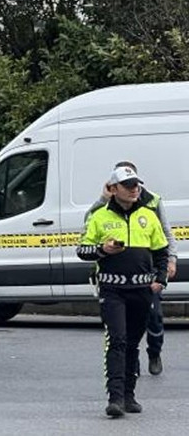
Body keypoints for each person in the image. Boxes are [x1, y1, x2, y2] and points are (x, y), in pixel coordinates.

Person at [77, 165, 170, 418]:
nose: (134, 189)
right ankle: (115, 398)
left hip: (141, 290)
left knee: (132, 343)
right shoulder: (99, 216)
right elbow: (82, 250)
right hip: (112, 289)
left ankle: (129, 395)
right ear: (114, 188)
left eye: (137, 185)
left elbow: (161, 251)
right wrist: (103, 250)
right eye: (128, 186)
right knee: (116, 340)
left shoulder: (149, 215)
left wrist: (160, 279)